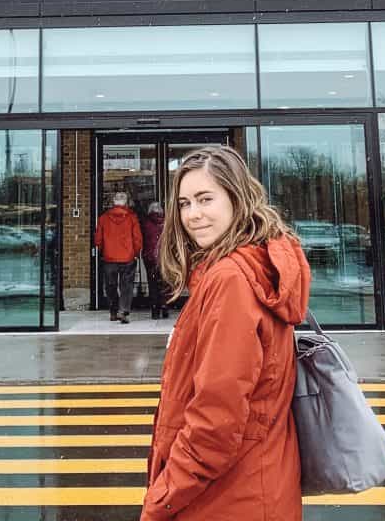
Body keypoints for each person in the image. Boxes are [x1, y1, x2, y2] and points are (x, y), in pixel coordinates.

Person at [141, 145, 311, 521]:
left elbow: (216, 417)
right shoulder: (254, 265)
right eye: (184, 203)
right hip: (258, 482)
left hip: (225, 498)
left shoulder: (231, 279)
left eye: (205, 199)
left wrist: (163, 499)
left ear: (237, 198)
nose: (193, 215)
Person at [94, 191, 142, 324]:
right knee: (126, 286)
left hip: (109, 257)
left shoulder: (103, 218)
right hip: (127, 257)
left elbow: (98, 239)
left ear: (113, 202)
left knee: (111, 286)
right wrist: (136, 253)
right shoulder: (132, 217)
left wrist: (103, 251)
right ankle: (123, 310)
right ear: (126, 203)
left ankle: (113, 311)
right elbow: (137, 238)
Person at [141, 201, 170, 320]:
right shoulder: (167, 223)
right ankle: (164, 305)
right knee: (165, 282)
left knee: (152, 283)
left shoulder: (145, 223)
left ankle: (154, 310)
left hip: (150, 257)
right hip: (165, 257)